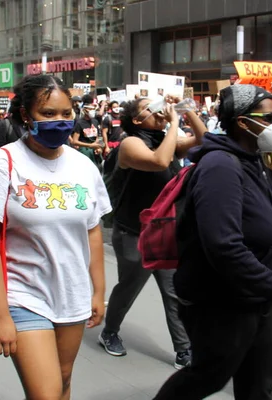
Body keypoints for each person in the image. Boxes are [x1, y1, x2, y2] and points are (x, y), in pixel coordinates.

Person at [153, 84, 272, 400]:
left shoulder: (254, 159)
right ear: (242, 122)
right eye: (270, 116)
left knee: (260, 382)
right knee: (208, 376)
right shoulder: (220, 166)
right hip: (225, 304)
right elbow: (224, 246)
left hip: (260, 297)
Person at [0, 74, 111, 400]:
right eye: (48, 113)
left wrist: (98, 291)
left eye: (65, 113)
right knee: (46, 394)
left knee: (63, 381)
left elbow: (92, 230)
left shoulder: (83, 166)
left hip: (72, 293)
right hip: (24, 295)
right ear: (25, 115)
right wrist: (0, 313)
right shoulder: (1, 162)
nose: (59, 121)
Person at [99, 95, 205, 369]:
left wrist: (187, 110)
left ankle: (184, 350)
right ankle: (109, 331)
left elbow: (203, 142)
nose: (157, 109)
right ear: (136, 120)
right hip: (134, 231)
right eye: (149, 108)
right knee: (129, 287)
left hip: (164, 231)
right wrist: (172, 122)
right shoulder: (130, 143)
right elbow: (159, 161)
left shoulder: (164, 138)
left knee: (173, 291)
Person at [70, 99, 103, 166]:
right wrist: (89, 145)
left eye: (94, 109)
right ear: (84, 110)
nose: (92, 111)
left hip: (95, 151)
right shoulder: (79, 123)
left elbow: (98, 137)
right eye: (90, 109)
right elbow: (74, 141)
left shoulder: (95, 121)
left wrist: (98, 147)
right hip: (85, 151)